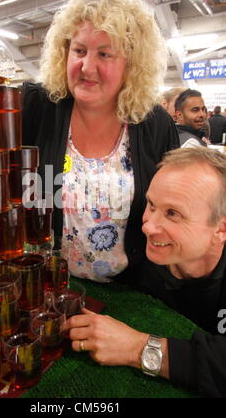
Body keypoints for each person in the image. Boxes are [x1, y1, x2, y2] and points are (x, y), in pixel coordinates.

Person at [0, 0, 179, 282]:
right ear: (64, 51)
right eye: (79, 50)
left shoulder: (153, 123)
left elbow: (172, 205)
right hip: (43, 283)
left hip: (130, 289)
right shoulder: (36, 105)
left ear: (131, 63)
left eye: (105, 53)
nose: (87, 67)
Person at [66, 147, 226, 398]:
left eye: (173, 213)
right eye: (151, 204)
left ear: (221, 228)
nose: (148, 226)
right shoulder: (134, 250)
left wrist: (136, 348)